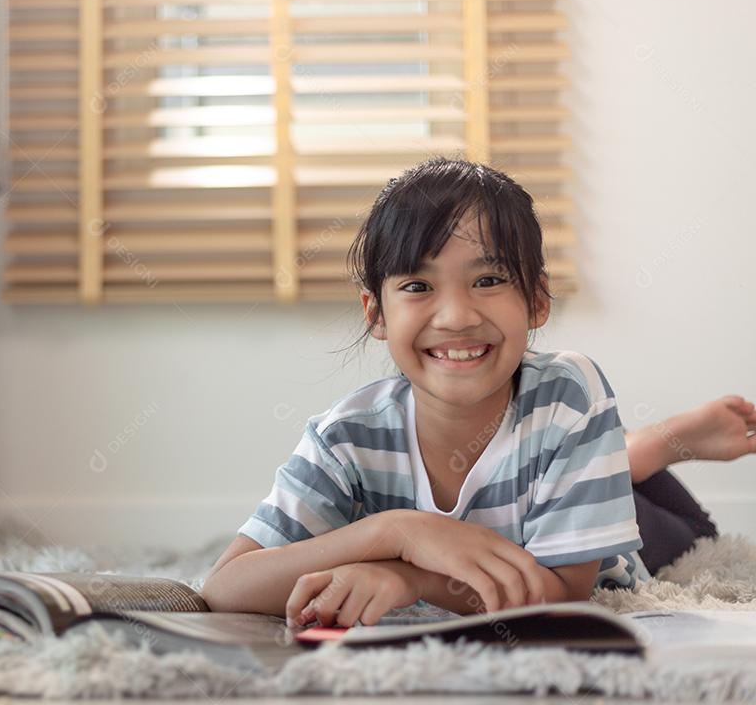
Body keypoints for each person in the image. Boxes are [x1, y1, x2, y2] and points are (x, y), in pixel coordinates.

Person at [200, 157, 756, 628]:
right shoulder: (346, 436)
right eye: (418, 286)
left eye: (488, 281)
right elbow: (225, 588)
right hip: (548, 472)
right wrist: (397, 530)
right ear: (377, 314)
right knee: (566, 472)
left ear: (537, 301)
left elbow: (565, 595)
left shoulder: (568, 394)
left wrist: (407, 577)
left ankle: (646, 450)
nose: (456, 316)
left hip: (626, 528)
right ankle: (623, 454)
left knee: (682, 532)